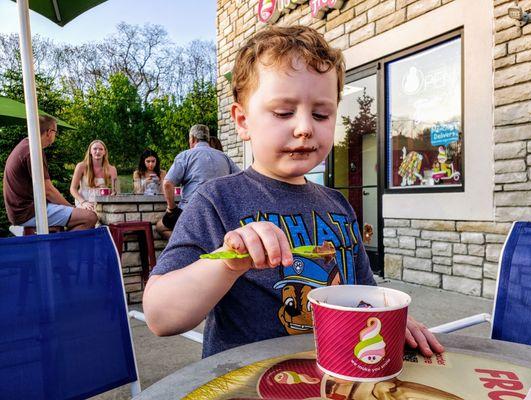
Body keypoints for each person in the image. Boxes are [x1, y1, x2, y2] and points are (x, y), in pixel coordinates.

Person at [143, 26, 443, 359]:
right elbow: (160, 316)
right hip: (251, 386)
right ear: (242, 121)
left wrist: (390, 318)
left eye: (321, 114)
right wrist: (228, 264)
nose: (304, 127)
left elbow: (364, 293)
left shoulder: (338, 205)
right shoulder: (218, 200)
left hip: (337, 378)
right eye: (284, 112)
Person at [3, 115, 97, 230]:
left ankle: (58, 243)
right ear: (49, 132)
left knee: (75, 218)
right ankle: (62, 248)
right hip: (27, 212)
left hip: (22, 210)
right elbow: (48, 191)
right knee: (90, 217)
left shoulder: (25, 145)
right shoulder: (33, 150)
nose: (55, 136)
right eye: (55, 132)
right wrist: (72, 208)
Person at [155, 124, 240, 240]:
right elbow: (239, 180)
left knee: (160, 227)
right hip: (220, 214)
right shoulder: (224, 157)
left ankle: (187, 246)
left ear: (192, 139)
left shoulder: (185, 156)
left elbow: (167, 183)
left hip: (191, 212)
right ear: (208, 140)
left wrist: (171, 208)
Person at [70, 140, 118, 210]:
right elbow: (73, 189)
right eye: (95, 149)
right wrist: (83, 202)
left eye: (101, 149)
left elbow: (115, 191)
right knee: (91, 214)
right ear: (90, 151)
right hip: (83, 201)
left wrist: (111, 196)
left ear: (104, 152)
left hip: (102, 203)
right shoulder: (81, 166)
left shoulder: (112, 169)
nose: (98, 151)